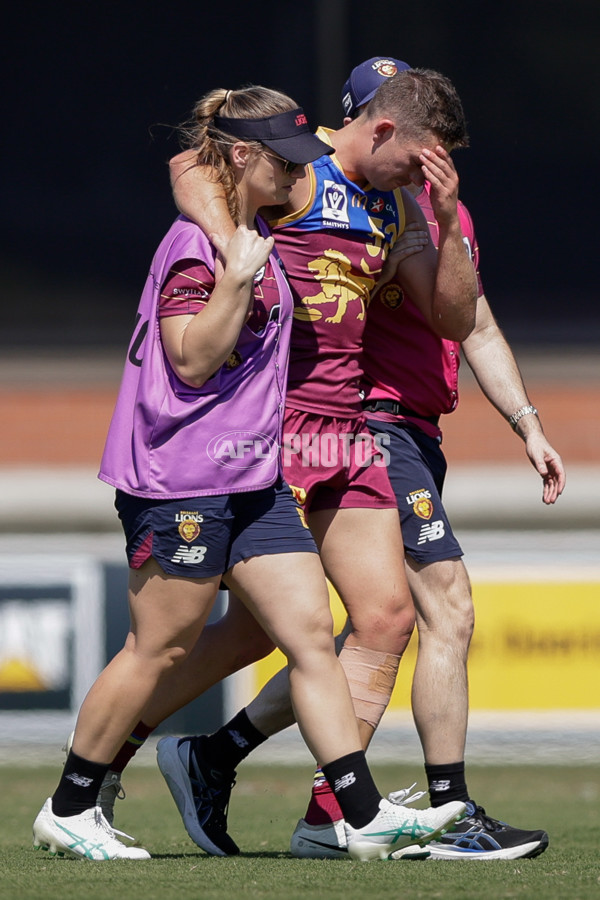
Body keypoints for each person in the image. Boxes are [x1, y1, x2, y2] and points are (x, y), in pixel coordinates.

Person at [32, 85, 465, 863]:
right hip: (193, 467)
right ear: (245, 158)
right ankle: (75, 797)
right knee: (161, 644)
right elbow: (193, 355)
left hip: (267, 461)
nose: (302, 175)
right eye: (286, 162)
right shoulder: (212, 237)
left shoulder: (344, 213)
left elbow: (462, 320)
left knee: (308, 630)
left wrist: (442, 219)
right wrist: (234, 261)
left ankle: (353, 816)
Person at [150, 61, 563, 862]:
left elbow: (467, 324)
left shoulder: (420, 201)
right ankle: (437, 809)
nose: (424, 167)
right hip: (368, 425)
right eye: (412, 150)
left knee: (327, 630)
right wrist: (234, 244)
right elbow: (195, 165)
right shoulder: (313, 181)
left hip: (414, 430)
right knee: (441, 608)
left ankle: (223, 762)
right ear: (377, 125)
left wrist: (526, 420)